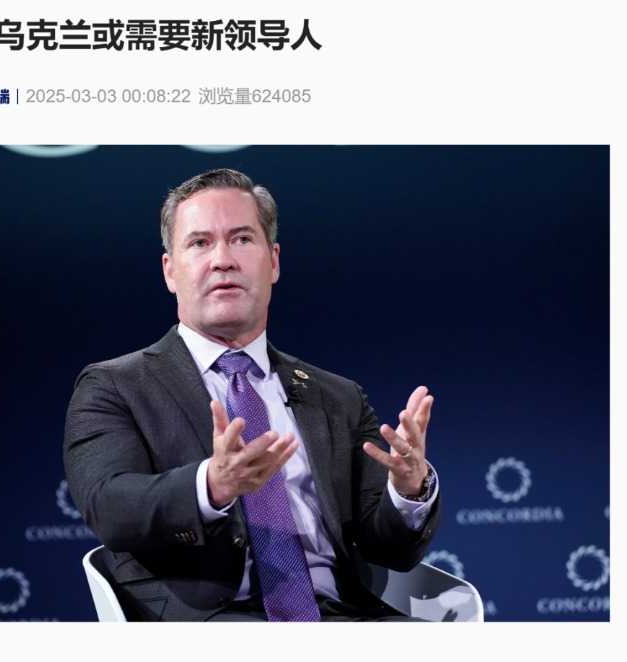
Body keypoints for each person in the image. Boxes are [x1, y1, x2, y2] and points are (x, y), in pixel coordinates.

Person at [64, 168, 440, 621]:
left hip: (345, 618)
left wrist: (408, 491)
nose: (222, 260)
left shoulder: (337, 397)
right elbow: (111, 507)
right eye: (199, 243)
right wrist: (211, 485)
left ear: (273, 261)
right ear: (170, 270)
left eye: (241, 239)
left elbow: (390, 552)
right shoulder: (114, 386)